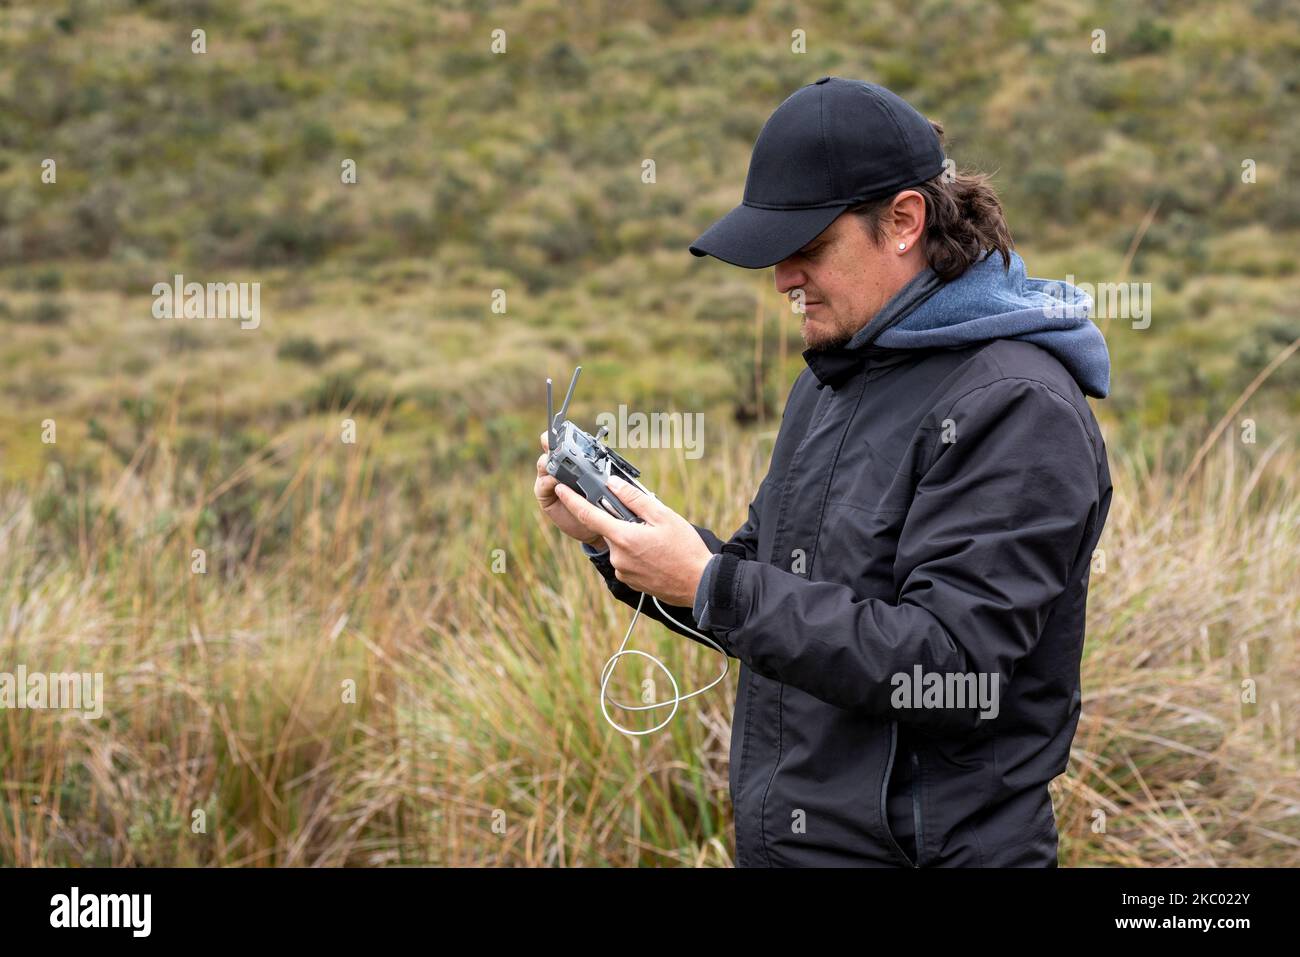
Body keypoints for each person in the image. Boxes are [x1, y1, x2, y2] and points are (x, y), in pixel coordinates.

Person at [533, 76, 1113, 867]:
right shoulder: (833, 378)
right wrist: (623, 542)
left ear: (905, 221)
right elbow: (759, 592)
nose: (781, 279)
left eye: (808, 248)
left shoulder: (1017, 405)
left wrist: (714, 584)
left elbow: (951, 668)